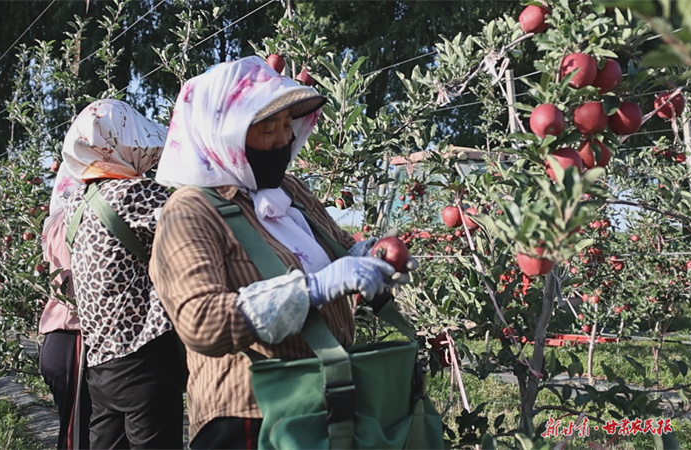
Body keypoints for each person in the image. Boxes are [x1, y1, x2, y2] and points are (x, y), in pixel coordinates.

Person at [149, 56, 415, 449]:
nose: (283, 139)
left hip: (322, 400)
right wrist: (311, 290)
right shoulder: (190, 212)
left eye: (287, 124)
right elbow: (201, 322)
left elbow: (337, 248)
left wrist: (367, 256)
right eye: (267, 128)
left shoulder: (289, 191)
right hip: (251, 419)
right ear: (225, 131)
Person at [61, 99, 184, 449]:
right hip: (142, 351)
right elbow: (196, 219)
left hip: (100, 360)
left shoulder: (77, 201)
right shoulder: (132, 192)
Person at [39, 162, 91, 450]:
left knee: (78, 435)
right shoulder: (80, 219)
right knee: (77, 438)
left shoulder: (56, 220)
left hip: (61, 340)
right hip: (75, 340)